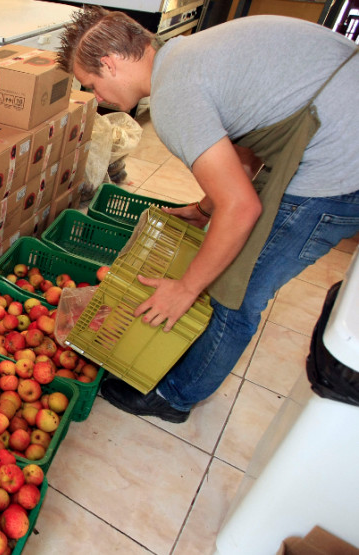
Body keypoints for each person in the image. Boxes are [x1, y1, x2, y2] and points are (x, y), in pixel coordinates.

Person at [57, 7, 359, 423]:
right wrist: (205, 207)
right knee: (227, 245)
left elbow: (243, 206)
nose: (97, 98)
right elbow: (251, 139)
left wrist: (185, 288)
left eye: (92, 85)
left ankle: (175, 396)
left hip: (337, 161)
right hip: (337, 123)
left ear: (110, 63)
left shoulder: (173, 97)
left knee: (237, 291)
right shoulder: (190, 55)